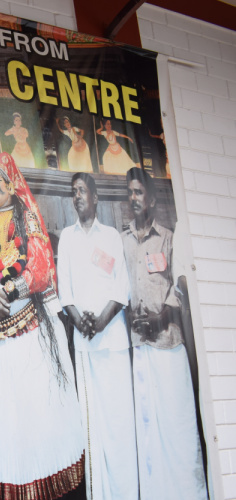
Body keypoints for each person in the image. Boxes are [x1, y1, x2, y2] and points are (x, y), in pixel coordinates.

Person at [0, 152, 84, 500]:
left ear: (11, 183)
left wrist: (8, 292)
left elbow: (39, 268)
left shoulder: (27, 217)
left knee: (31, 413)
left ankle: (32, 485)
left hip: (29, 325)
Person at [121, 167, 207, 500]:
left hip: (168, 344)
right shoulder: (123, 240)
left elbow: (181, 289)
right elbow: (119, 289)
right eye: (130, 192)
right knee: (149, 427)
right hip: (141, 346)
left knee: (178, 423)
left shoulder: (168, 238)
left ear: (153, 198)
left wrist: (160, 317)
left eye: (139, 192)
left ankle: (190, 492)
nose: (133, 198)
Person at [57, 173, 137, 499]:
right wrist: (82, 323)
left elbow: (122, 286)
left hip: (113, 341)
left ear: (95, 197)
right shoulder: (67, 237)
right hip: (85, 344)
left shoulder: (112, 236)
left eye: (82, 191)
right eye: (73, 192)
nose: (77, 196)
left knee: (119, 422)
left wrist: (102, 321)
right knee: (94, 428)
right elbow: (65, 290)